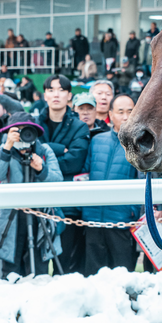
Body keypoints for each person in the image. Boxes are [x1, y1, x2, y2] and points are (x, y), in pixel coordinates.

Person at [0, 112, 64, 278]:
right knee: (11, 268)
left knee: (39, 268)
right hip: (11, 216)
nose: (23, 134)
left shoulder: (44, 150)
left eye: (26, 130)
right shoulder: (5, 150)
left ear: (35, 131)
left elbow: (58, 180)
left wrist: (42, 169)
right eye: (17, 130)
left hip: (39, 214)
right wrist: (7, 147)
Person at [37, 75, 90, 274]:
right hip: (38, 203)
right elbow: (28, 157)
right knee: (36, 265)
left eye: (60, 90)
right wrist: (60, 149)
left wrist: (42, 163)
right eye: (51, 90)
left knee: (65, 264)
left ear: (69, 95)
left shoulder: (79, 126)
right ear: (45, 95)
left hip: (68, 205)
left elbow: (74, 162)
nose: (55, 94)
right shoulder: (34, 124)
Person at [82, 94, 140, 275]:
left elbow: (142, 182)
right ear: (110, 114)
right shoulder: (97, 140)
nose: (125, 117)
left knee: (123, 272)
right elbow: (85, 173)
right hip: (92, 217)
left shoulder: (141, 144)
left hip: (122, 219)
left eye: (130, 112)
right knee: (94, 273)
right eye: (120, 112)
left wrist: (132, 211)